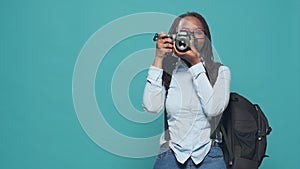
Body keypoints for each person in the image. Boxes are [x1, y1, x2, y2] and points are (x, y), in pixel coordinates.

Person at [142, 12, 231, 169]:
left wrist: (195, 63)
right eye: (185, 33)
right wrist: (158, 59)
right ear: (174, 37)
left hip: (209, 156)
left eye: (198, 32)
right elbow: (151, 107)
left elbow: (213, 109)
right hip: (170, 155)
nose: (192, 37)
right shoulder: (169, 73)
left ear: (206, 38)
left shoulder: (220, 72)